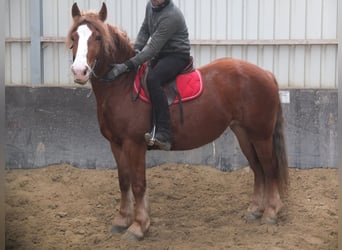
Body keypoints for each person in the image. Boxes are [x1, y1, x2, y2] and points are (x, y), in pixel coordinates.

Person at [106, 0, 191, 150]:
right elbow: (145, 29)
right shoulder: (150, 6)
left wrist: (127, 65)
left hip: (176, 55)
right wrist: (136, 49)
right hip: (161, 54)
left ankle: (164, 133)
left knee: (153, 79)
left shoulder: (171, 16)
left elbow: (152, 48)